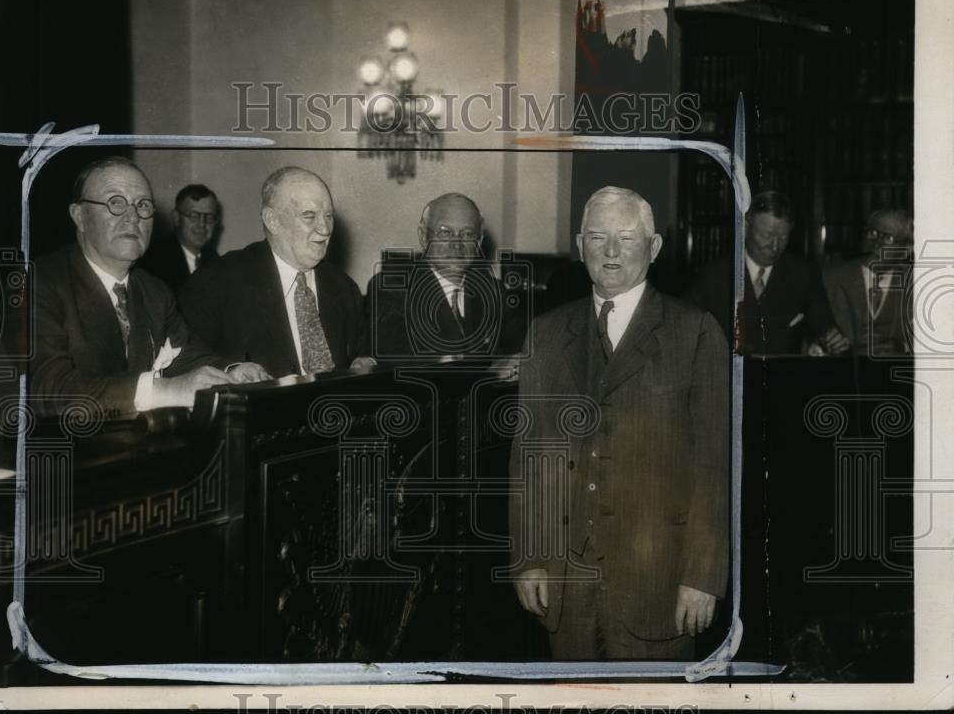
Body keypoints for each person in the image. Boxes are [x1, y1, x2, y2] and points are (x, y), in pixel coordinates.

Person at [510, 186, 728, 660]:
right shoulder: (546, 334)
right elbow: (529, 459)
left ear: (653, 247)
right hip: (566, 586)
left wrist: (702, 577)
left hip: (660, 583)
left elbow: (715, 467)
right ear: (578, 243)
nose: (610, 252)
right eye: (597, 237)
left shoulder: (695, 332)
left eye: (626, 238)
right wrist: (528, 560)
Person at [30, 157, 269, 419]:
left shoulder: (153, 290)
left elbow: (187, 356)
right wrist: (164, 391)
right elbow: (48, 393)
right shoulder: (39, 283)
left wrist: (232, 371)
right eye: (116, 203)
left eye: (143, 205)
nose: (133, 217)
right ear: (79, 216)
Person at [180, 166, 371, 378]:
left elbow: (359, 356)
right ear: (272, 220)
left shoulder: (345, 289)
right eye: (309, 216)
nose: (325, 229)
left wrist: (364, 364)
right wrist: (231, 370)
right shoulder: (217, 282)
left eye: (328, 216)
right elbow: (184, 358)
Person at [685, 190, 850, 355]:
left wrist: (832, 341)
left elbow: (823, 329)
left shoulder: (804, 275)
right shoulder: (712, 277)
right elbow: (686, 333)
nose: (775, 246)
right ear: (746, 227)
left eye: (783, 237)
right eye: (767, 235)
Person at [366, 193, 519, 359]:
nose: (456, 244)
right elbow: (398, 354)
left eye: (467, 234)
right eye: (445, 233)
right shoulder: (390, 287)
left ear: (479, 242)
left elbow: (524, 350)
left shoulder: (494, 291)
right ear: (424, 237)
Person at [823, 209, 913, 356]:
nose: (876, 243)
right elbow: (807, 336)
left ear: (906, 250)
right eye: (873, 233)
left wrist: (902, 347)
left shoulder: (914, 283)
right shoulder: (829, 277)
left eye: (888, 238)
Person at [140, 183, 220, 293]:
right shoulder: (154, 259)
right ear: (177, 218)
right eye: (194, 216)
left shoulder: (215, 260)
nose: (202, 224)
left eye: (209, 217)